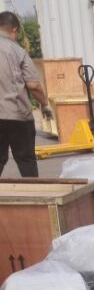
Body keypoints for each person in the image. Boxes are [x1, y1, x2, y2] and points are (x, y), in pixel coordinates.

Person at [0, 11, 51, 178]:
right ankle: (33, 193)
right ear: (14, 29)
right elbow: (33, 85)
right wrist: (45, 104)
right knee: (26, 160)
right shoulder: (17, 51)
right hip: (17, 116)